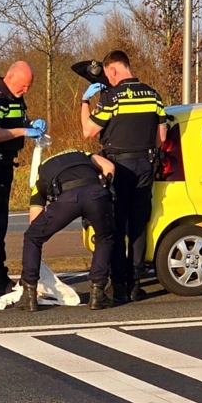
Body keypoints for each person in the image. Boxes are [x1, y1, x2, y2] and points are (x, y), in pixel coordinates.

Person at [79, 50, 167, 304]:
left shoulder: (111, 98)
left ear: (113, 70)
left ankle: (118, 286)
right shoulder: (153, 96)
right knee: (138, 225)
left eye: (108, 75)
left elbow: (88, 131)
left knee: (116, 226)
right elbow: (160, 139)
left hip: (118, 167)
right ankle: (135, 283)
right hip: (145, 166)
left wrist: (84, 102)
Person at [0, 61, 45, 298]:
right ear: (11, 77)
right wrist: (24, 132)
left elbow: (16, 122)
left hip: (3, 164)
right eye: (24, 86)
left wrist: (31, 125)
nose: (26, 91)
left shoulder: (14, 97)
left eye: (28, 87)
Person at [18, 149, 115, 312]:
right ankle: (98, 294)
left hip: (67, 199)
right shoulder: (84, 154)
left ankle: (29, 295)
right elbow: (109, 167)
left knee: (32, 238)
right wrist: (105, 191)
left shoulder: (41, 173)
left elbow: (34, 223)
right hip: (96, 193)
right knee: (104, 238)